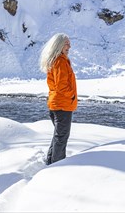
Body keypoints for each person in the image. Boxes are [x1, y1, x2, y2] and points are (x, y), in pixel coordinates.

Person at [40, 33, 77, 165]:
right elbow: (62, 86)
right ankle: (57, 166)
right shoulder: (60, 61)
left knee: (58, 136)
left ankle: (50, 162)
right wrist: (72, 96)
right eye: (67, 43)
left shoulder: (56, 60)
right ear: (59, 45)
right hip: (62, 105)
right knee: (61, 137)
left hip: (57, 104)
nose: (69, 46)